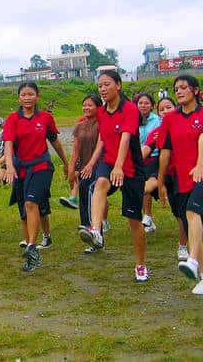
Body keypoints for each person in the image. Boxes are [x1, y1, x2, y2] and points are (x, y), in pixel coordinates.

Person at [79, 70, 148, 282]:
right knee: (100, 183)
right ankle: (96, 230)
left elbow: (126, 138)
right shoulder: (101, 112)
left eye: (107, 84)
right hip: (109, 161)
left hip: (131, 168)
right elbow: (103, 139)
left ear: (118, 85)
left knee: (134, 221)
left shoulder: (129, 109)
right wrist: (92, 162)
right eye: (100, 86)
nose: (103, 89)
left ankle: (140, 265)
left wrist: (119, 167)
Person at [158, 75, 203, 295]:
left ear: (195, 90)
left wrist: (200, 165)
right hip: (182, 178)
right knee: (191, 223)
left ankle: (192, 260)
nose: (180, 91)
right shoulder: (170, 119)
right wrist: (160, 182)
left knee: (193, 211)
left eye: (184, 87)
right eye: (176, 89)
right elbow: (165, 151)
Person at [3, 82, 69, 271]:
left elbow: (55, 141)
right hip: (21, 168)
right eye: (23, 94)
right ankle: (31, 253)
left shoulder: (46, 118)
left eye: (31, 94)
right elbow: (8, 144)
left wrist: (66, 163)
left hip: (42, 166)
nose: (27, 98)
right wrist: (9, 166)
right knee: (24, 211)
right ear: (19, 98)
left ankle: (32, 246)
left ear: (37, 97)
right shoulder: (13, 119)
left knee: (32, 203)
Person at [142, 97, 189, 261]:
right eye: (162, 109)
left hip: (184, 174)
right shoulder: (156, 132)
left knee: (181, 213)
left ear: (176, 108)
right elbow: (147, 149)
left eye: (169, 107)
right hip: (164, 173)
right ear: (159, 113)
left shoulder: (185, 126)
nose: (166, 111)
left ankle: (183, 246)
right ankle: (146, 216)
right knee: (145, 188)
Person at [69, 95, 103, 253]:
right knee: (83, 193)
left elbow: (100, 147)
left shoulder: (102, 124)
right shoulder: (80, 126)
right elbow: (75, 150)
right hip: (83, 168)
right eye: (84, 105)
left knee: (89, 191)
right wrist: (71, 169)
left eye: (90, 105)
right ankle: (88, 230)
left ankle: (95, 231)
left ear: (98, 107)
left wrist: (91, 165)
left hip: (98, 166)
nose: (86, 108)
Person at [135, 93, 162, 233]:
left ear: (152, 106)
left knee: (147, 187)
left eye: (146, 103)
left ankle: (147, 216)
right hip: (137, 158)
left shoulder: (157, 120)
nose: (143, 106)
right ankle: (147, 217)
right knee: (141, 187)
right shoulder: (133, 120)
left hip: (154, 156)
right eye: (140, 103)